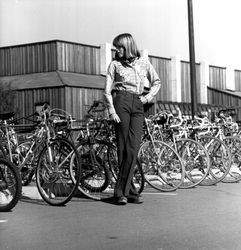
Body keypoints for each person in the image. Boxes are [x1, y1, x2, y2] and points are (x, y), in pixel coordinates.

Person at [104, 33, 161, 205]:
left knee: (133, 147)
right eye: (115, 47)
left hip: (138, 103)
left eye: (119, 47)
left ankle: (123, 190)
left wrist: (147, 98)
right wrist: (111, 110)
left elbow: (157, 82)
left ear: (128, 46)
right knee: (122, 148)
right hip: (120, 101)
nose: (117, 50)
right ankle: (127, 192)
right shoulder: (114, 64)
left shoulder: (143, 62)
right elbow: (106, 89)